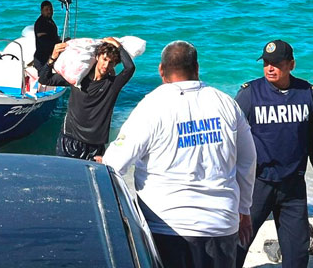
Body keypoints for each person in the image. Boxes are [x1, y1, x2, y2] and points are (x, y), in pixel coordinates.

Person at [103, 41, 257, 268]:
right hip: (221, 223)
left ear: (161, 71)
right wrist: (244, 209)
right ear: (196, 68)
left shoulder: (152, 106)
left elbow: (114, 164)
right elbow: (248, 159)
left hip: (166, 225)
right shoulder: (225, 103)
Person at [234, 39, 313, 268]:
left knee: (298, 251)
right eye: (266, 62)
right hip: (258, 184)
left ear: (291, 65)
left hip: (293, 185)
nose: (270, 67)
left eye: (276, 63)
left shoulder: (305, 92)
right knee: (238, 244)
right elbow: (230, 139)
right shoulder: (250, 94)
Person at [38, 37, 135, 160]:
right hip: (69, 139)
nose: (106, 65)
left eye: (111, 62)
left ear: (115, 64)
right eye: (104, 59)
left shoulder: (112, 85)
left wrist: (118, 45)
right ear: (97, 57)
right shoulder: (77, 78)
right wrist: (53, 58)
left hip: (94, 146)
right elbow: (44, 79)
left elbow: (130, 68)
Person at [32, 0, 59, 70]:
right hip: (42, 60)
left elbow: (52, 36)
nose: (49, 11)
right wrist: (58, 44)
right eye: (46, 9)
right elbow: (44, 41)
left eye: (51, 9)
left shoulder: (49, 21)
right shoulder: (41, 23)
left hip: (49, 57)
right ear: (41, 11)